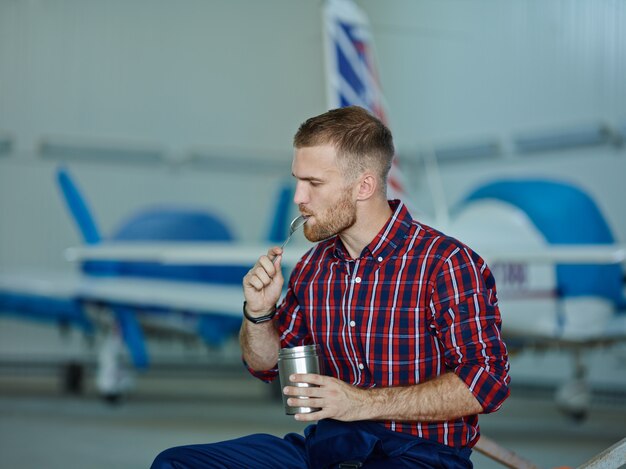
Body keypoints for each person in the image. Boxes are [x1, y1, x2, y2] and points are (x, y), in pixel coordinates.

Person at [151, 106, 510, 468]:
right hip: (329, 448)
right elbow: (265, 366)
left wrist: (360, 403)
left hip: (417, 455)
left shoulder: (446, 263)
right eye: (297, 180)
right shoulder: (312, 267)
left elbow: (487, 381)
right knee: (176, 463)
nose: (298, 197)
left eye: (314, 184)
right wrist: (259, 313)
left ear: (364, 186)